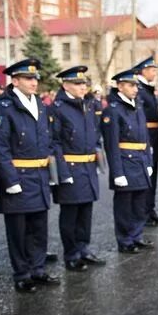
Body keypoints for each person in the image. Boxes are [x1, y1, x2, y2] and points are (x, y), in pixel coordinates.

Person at [0, 58, 59, 293]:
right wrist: (9, 180)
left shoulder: (38, 103)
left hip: (38, 175)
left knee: (39, 227)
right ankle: (22, 274)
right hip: (18, 176)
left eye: (35, 78)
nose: (33, 82)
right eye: (28, 79)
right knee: (18, 230)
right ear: (15, 80)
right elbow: (0, 147)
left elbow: (46, 140)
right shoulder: (3, 107)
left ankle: (37, 269)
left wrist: (50, 170)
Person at [49, 66, 105, 271]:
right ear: (65, 85)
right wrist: (63, 172)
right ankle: (71, 254)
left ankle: (83, 249)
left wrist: (98, 157)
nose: (83, 87)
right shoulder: (57, 107)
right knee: (70, 214)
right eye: (77, 84)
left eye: (84, 83)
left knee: (86, 212)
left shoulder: (88, 104)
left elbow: (95, 133)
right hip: (70, 166)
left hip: (88, 165)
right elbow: (54, 142)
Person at [101, 68, 154, 253]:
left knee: (140, 203)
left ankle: (136, 235)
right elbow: (111, 144)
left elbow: (145, 137)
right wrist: (117, 172)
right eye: (131, 85)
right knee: (125, 206)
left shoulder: (137, 105)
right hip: (125, 162)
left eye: (135, 85)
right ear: (120, 86)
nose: (135, 89)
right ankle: (125, 240)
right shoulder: (113, 110)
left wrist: (148, 160)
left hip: (139, 160)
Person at [133, 55, 158, 226]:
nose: (154, 73)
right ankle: (143, 213)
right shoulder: (138, 88)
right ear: (144, 70)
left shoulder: (146, 87)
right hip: (146, 137)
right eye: (152, 70)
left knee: (152, 176)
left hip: (153, 136)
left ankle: (149, 209)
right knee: (146, 178)